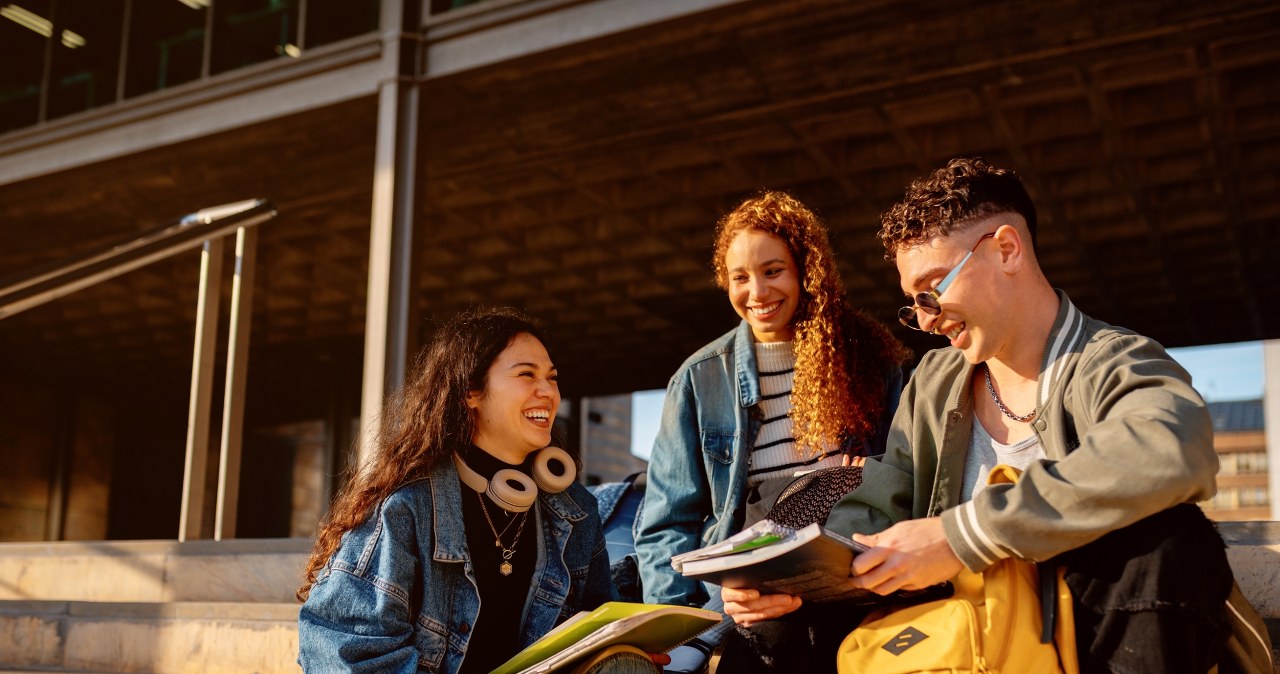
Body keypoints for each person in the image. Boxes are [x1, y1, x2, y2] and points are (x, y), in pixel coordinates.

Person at [738, 157, 1234, 672]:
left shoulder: (1111, 360)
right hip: (954, 639)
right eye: (914, 304)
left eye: (932, 289)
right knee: (775, 617)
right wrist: (781, 577)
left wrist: (962, 536)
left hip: (1079, 635)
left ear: (1006, 250)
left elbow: (1170, 450)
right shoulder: (933, 383)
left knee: (1169, 542)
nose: (926, 321)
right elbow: (882, 506)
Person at [636, 191, 909, 672]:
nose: (757, 293)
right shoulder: (700, 379)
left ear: (807, 271)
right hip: (744, 612)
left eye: (773, 271)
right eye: (740, 277)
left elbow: (904, 489)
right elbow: (666, 524)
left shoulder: (871, 360)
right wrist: (687, 631)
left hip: (855, 600)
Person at [297, 308, 621, 673]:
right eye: (526, 374)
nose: (547, 392)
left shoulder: (576, 510)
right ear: (471, 393)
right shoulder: (405, 507)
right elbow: (345, 652)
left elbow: (599, 630)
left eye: (553, 377)